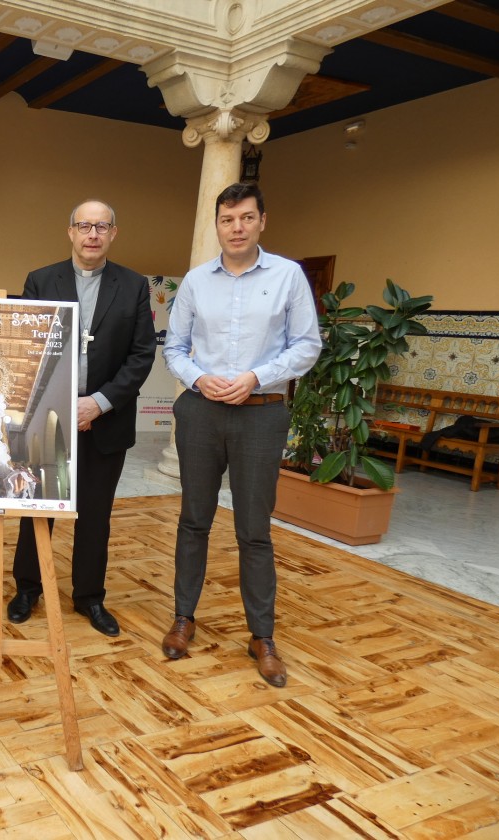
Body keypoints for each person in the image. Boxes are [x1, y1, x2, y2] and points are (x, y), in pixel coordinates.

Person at [162, 182, 322, 687]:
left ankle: (262, 636)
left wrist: (256, 376)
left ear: (262, 221)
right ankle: (184, 617)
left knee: (254, 529)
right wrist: (196, 376)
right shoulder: (194, 281)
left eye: (246, 218)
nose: (237, 228)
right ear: (217, 225)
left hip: (262, 413)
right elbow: (175, 348)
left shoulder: (288, 277)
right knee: (193, 521)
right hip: (201, 412)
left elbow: (306, 346)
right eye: (228, 220)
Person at [8, 200, 156, 637]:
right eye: (84, 226)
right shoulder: (40, 280)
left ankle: (89, 597)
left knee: (95, 514)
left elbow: (142, 353)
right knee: (38, 508)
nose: (92, 234)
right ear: (70, 231)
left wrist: (100, 403)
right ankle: (27, 589)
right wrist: (63, 404)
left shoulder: (133, 285)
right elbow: (30, 350)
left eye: (102, 226)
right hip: (49, 420)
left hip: (105, 421)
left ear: (113, 233)